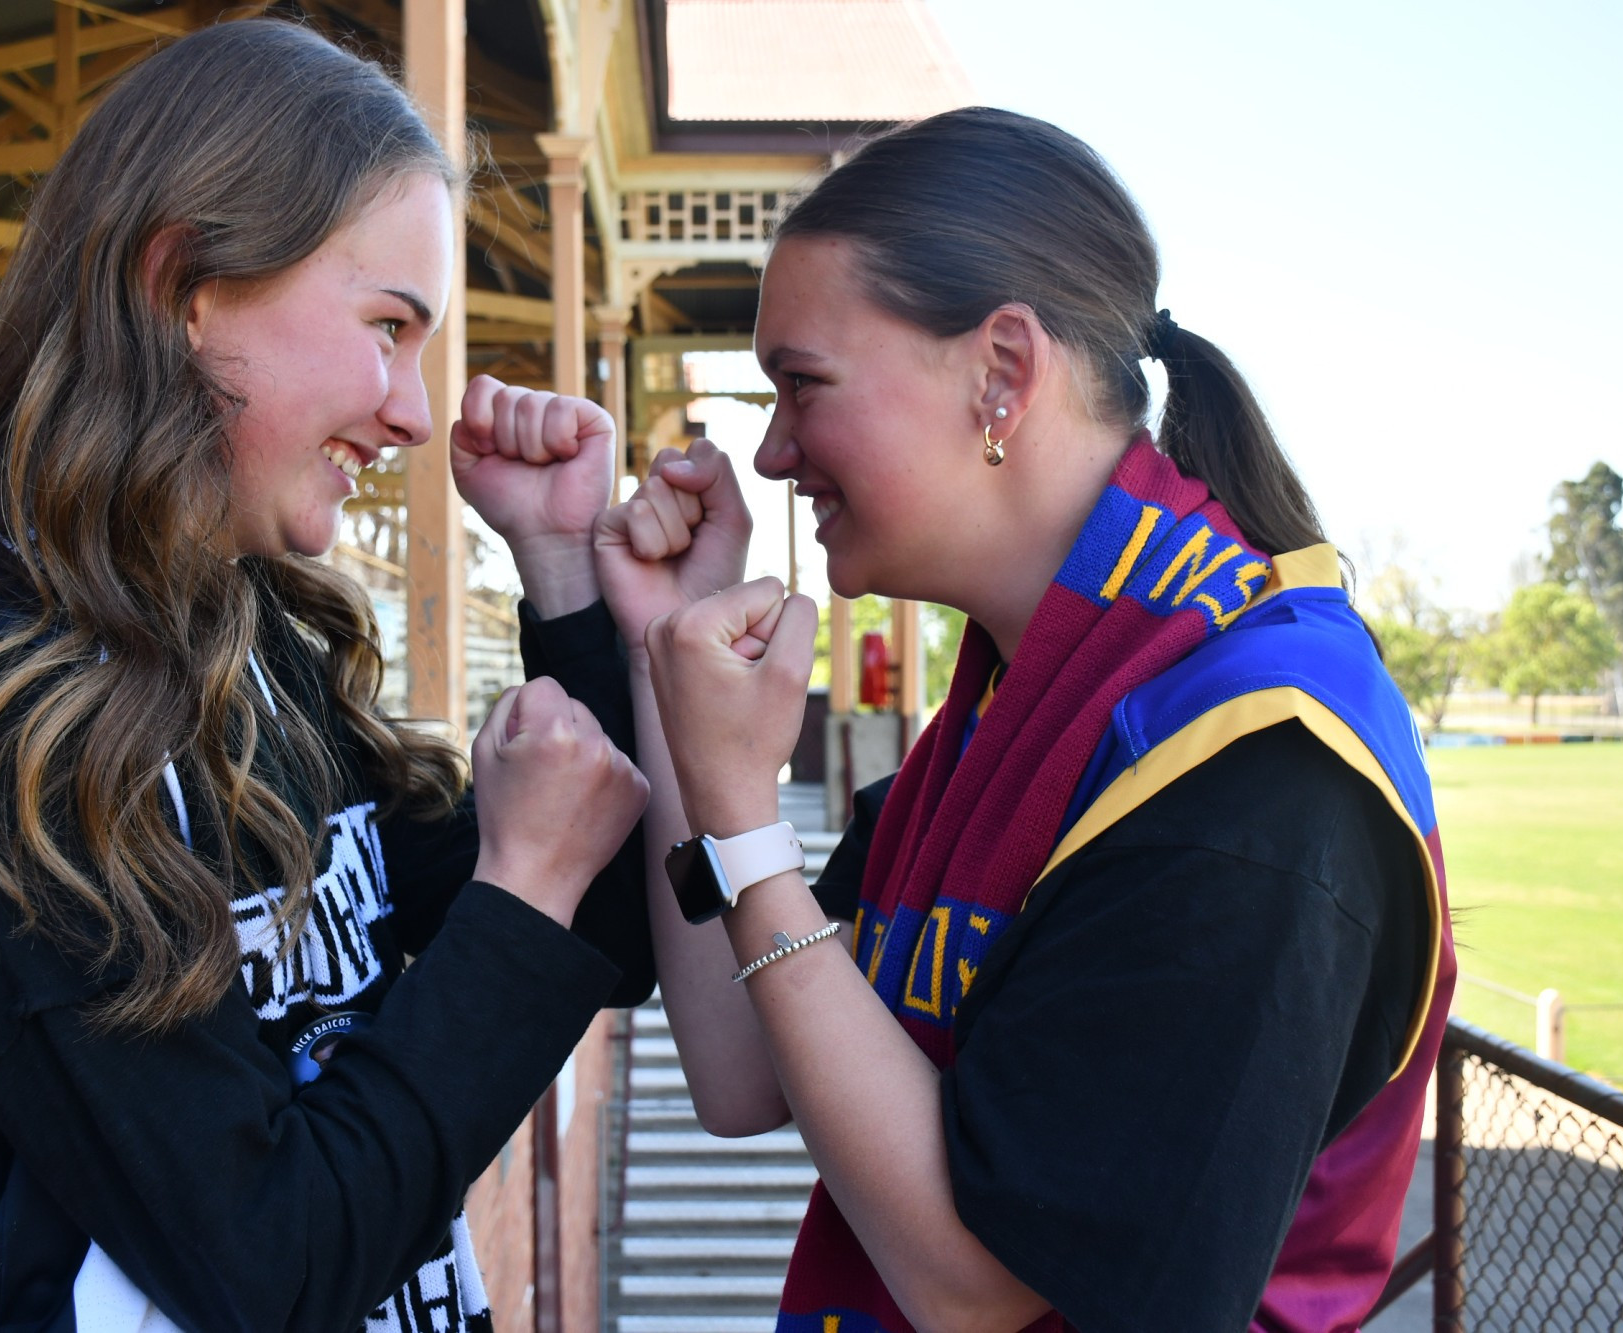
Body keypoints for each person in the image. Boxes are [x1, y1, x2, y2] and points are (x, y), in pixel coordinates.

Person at [0, 20, 653, 1332]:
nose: (412, 408)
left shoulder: (246, 637)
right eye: (389, 326)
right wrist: (529, 878)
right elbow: (267, 1265)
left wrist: (563, 574)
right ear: (183, 284)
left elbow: (599, 941)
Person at [597, 106, 1455, 1332]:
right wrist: (661, 654)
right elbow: (743, 1071)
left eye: (801, 384)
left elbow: (972, 1285)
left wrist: (743, 817)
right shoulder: (1020, 693)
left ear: (1000, 372)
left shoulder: (1255, 759)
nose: (774, 452)